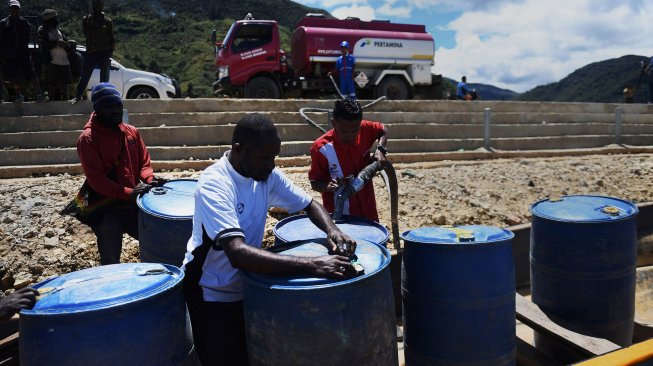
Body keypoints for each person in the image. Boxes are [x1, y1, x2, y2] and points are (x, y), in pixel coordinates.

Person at [182, 113, 357, 365]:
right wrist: (314, 264)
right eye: (265, 157)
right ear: (239, 150)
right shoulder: (215, 184)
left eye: (274, 156)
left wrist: (333, 230)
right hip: (211, 294)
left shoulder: (265, 175)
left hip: (249, 287)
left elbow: (310, 204)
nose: (272, 164)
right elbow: (238, 253)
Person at [76, 82, 165, 265]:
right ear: (98, 110)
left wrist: (150, 178)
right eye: (110, 108)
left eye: (118, 106)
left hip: (133, 203)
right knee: (110, 260)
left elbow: (144, 163)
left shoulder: (131, 132)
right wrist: (128, 193)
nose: (116, 111)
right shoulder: (88, 139)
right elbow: (97, 180)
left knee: (158, 242)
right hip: (106, 207)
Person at [308, 98, 388, 222]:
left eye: (355, 130)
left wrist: (380, 149)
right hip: (340, 216)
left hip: (368, 209)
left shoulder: (365, 129)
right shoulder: (321, 149)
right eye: (344, 131)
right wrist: (328, 186)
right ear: (333, 123)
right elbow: (314, 183)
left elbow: (382, 129)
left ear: (360, 123)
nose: (350, 136)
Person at [70, 0, 115, 104]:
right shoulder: (87, 19)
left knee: (104, 78)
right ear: (93, 6)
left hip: (104, 52)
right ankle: (77, 96)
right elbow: (86, 33)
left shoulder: (107, 21)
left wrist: (110, 51)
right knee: (85, 75)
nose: (98, 6)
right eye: (96, 4)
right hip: (91, 52)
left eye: (100, 4)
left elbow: (111, 37)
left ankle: (104, 97)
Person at [0, 0, 44, 103]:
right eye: (13, 8)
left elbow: (26, 38)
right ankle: (19, 95)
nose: (15, 10)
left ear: (19, 9)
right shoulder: (3, 23)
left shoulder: (24, 23)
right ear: (9, 9)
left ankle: (39, 94)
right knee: (14, 77)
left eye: (16, 8)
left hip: (23, 53)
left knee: (32, 73)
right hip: (10, 54)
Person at [38, 9, 72, 101]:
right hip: (52, 61)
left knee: (66, 82)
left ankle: (66, 100)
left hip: (64, 61)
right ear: (49, 20)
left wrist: (66, 44)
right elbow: (43, 44)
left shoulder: (59, 30)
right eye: (54, 18)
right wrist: (57, 43)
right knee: (51, 82)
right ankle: (51, 100)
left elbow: (66, 43)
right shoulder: (42, 30)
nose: (57, 20)